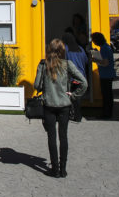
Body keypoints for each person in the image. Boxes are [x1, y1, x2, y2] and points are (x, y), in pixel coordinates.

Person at [34, 38, 87, 178]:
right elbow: (84, 83)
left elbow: (37, 86)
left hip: (49, 104)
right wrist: (74, 95)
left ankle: (55, 169)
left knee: (51, 137)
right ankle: (63, 169)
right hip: (64, 104)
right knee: (63, 136)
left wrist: (40, 71)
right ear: (63, 51)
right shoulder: (67, 64)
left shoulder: (44, 65)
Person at [61, 30, 89, 122]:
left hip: (71, 77)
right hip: (81, 76)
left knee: (69, 96)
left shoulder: (65, 49)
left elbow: (63, 62)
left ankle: (72, 114)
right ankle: (78, 115)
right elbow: (86, 61)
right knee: (77, 97)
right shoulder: (80, 48)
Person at [90, 32, 115, 119]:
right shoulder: (106, 47)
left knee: (106, 95)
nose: (93, 42)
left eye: (93, 40)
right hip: (108, 74)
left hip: (106, 75)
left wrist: (94, 59)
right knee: (108, 95)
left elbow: (105, 63)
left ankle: (106, 114)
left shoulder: (104, 48)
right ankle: (108, 112)